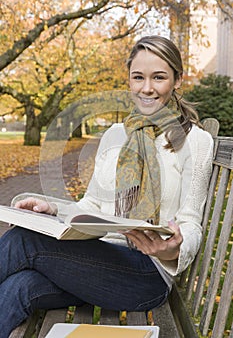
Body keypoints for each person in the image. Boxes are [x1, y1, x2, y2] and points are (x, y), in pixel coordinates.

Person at [0, 35, 213, 337]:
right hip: (97, 263)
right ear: (129, 80)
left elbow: (191, 221)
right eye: (138, 77)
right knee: (20, 286)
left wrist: (173, 250)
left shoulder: (195, 141)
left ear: (177, 79)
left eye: (159, 77)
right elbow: (91, 207)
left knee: (24, 240)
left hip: (147, 275)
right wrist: (53, 209)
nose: (147, 88)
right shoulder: (115, 135)